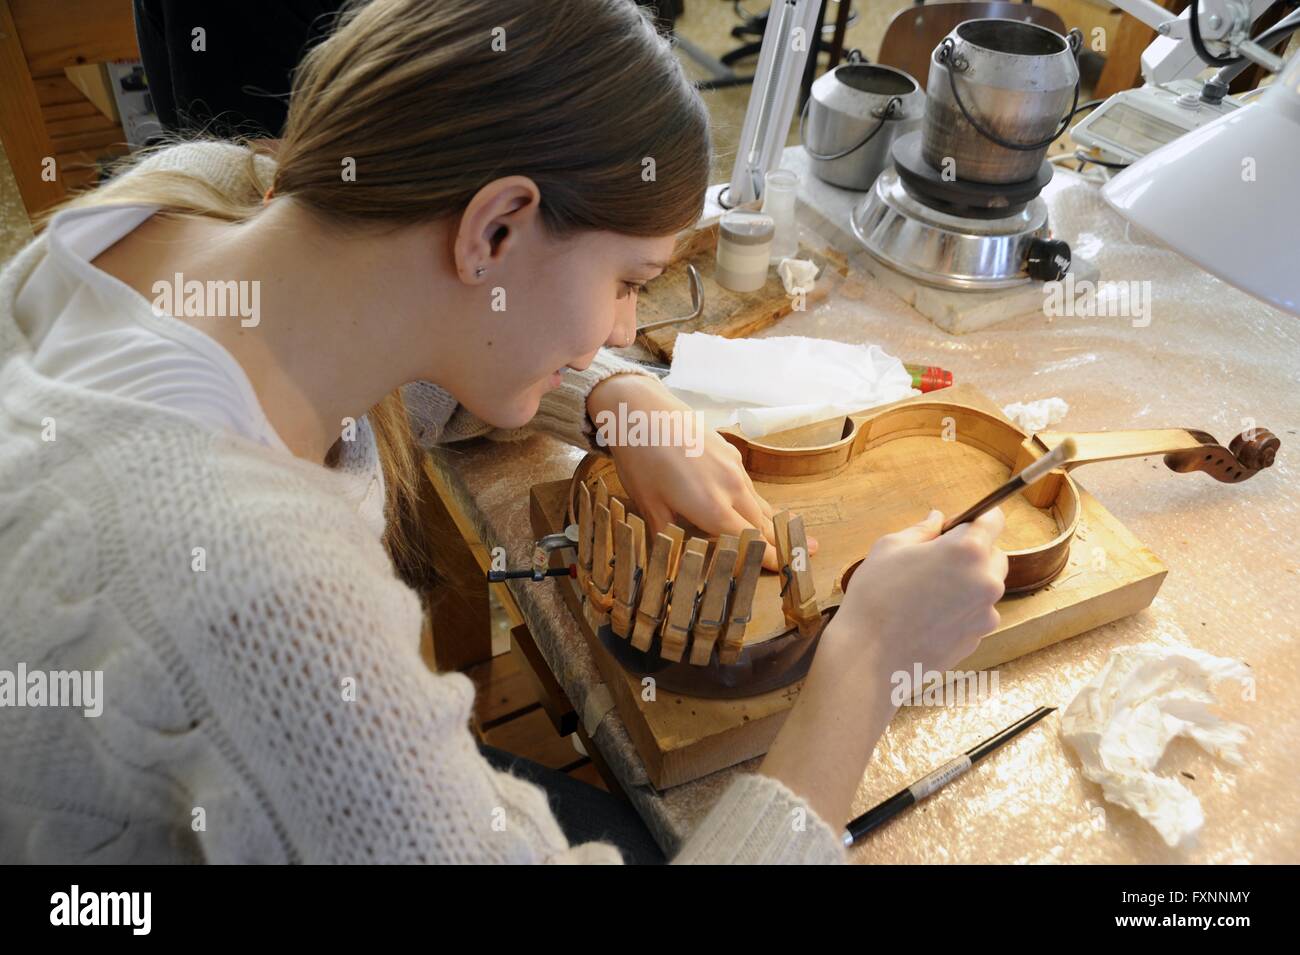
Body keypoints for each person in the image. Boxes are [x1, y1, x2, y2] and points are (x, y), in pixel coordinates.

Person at [0, 0, 1007, 864]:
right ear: (495, 228)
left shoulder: (196, 205)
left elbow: (405, 338)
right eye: (629, 283)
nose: (623, 329)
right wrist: (867, 661)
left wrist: (615, 397)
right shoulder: (259, 585)